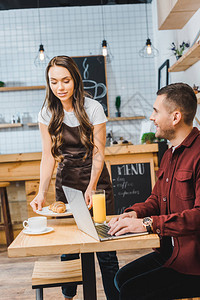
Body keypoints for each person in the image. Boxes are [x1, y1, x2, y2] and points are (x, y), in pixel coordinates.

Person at [30, 55, 119, 300]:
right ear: (48, 83)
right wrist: (41, 193)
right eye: (54, 81)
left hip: (97, 183)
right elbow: (48, 157)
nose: (60, 87)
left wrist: (91, 186)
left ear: (75, 80)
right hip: (66, 182)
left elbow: (99, 153)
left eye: (66, 80)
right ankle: (68, 297)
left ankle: (115, 297)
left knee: (105, 247)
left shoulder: (93, 108)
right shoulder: (47, 112)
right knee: (69, 248)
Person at [108, 82, 200, 300]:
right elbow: (156, 199)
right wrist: (135, 213)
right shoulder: (169, 154)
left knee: (132, 291)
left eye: (156, 111)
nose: (151, 117)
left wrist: (148, 224)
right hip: (170, 251)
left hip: (194, 261)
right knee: (121, 279)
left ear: (175, 117)